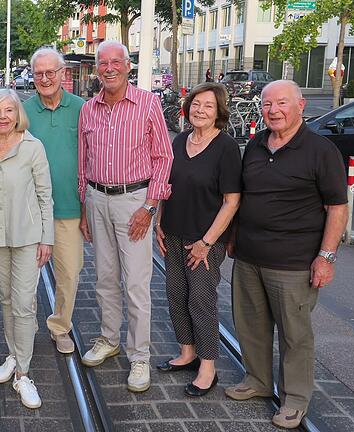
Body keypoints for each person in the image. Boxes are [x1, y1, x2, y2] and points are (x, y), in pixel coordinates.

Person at [226, 80, 348, 429]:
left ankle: (294, 399)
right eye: (267, 104)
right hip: (249, 256)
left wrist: (326, 257)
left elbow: (337, 208)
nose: (273, 110)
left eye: (281, 103)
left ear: (300, 106)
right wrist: (235, 236)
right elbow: (245, 196)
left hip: (294, 262)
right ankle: (258, 381)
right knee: (250, 326)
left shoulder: (321, 150)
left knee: (295, 335)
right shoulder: (255, 145)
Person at [77, 40, 173, 393]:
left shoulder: (148, 104)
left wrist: (150, 207)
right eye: (104, 63)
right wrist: (85, 205)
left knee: (135, 283)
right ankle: (108, 338)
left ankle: (139, 356)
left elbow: (164, 158)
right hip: (97, 199)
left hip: (134, 200)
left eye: (116, 62)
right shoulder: (89, 110)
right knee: (104, 278)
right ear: (97, 69)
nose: (109, 68)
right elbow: (83, 163)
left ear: (128, 66)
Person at [154, 82, 241, 397]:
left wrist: (207, 241)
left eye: (208, 106)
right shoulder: (179, 141)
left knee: (201, 300)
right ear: (187, 107)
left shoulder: (226, 147)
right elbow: (168, 185)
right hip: (174, 232)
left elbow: (232, 200)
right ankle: (187, 352)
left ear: (218, 112)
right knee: (176, 294)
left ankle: (208, 367)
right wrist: (159, 221)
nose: (200, 110)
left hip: (205, 239)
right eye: (196, 104)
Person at [0, 89, 54, 409]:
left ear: (17, 114)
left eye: (9, 110)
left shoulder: (33, 147)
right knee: (6, 299)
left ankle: (23, 373)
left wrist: (47, 237)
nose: (3, 116)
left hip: (27, 236)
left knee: (23, 302)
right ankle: (13, 354)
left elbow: (45, 195)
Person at [22, 48, 85, 354]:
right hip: (29, 210)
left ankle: (61, 326)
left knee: (69, 273)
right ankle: (27, 326)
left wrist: (88, 205)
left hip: (68, 207)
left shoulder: (81, 109)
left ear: (63, 74)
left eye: (51, 72)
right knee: (26, 274)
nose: (45, 79)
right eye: (38, 73)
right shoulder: (23, 111)